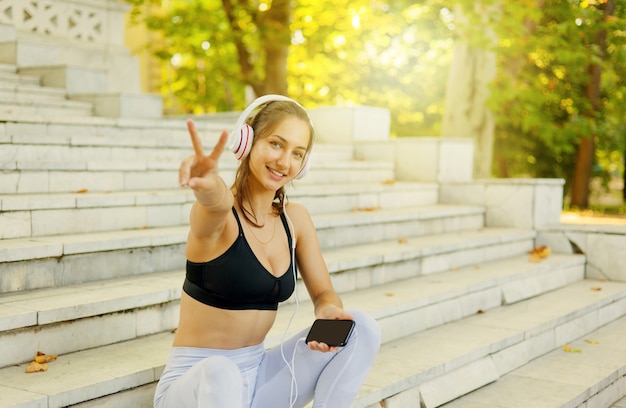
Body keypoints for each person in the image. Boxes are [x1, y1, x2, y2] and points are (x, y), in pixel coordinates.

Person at [153, 95, 381, 408]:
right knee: (223, 372)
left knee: (360, 327)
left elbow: (325, 293)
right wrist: (207, 185)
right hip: (198, 383)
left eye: (297, 153)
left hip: (259, 375)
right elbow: (214, 205)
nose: (285, 162)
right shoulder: (221, 219)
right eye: (276, 144)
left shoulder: (295, 219)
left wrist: (328, 310)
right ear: (245, 142)